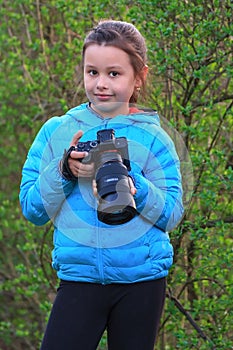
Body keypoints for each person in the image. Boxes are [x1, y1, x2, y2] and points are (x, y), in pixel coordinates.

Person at [19, 20, 184, 350]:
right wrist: (64, 171)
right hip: (80, 278)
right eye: (92, 72)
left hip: (143, 281)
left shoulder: (154, 137)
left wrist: (134, 184)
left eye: (114, 73)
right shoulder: (58, 130)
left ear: (139, 77)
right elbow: (32, 208)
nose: (101, 84)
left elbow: (173, 214)